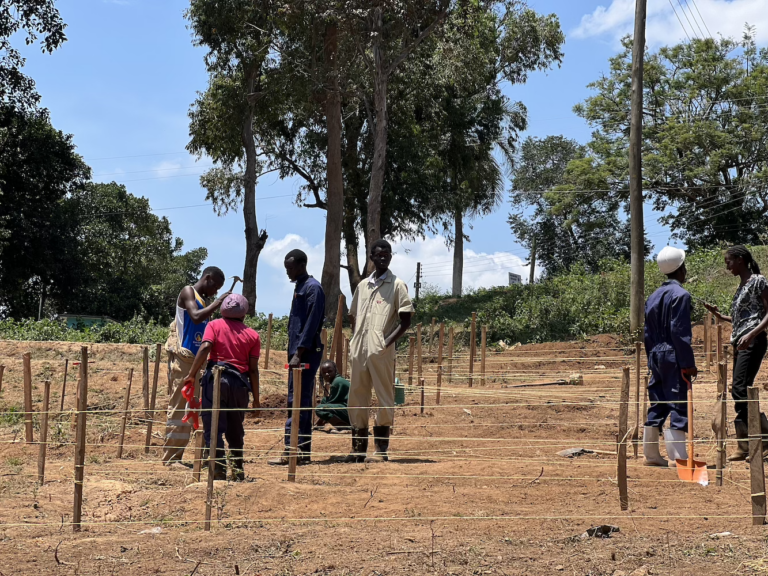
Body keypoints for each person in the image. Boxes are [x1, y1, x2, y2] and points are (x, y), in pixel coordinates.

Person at [346, 239, 413, 463]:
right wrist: (355, 340)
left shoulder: (397, 285)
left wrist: (386, 343)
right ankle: (358, 450)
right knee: (356, 396)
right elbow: (353, 315)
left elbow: (405, 321)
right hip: (359, 350)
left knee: (385, 397)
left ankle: (381, 450)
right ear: (372, 258)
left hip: (381, 351)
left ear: (391, 257)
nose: (383, 257)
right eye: (378, 254)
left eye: (386, 253)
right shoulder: (363, 286)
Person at [182, 293, 260, 481]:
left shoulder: (214, 325)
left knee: (214, 426)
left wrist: (192, 374)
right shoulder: (253, 335)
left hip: (216, 380)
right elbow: (253, 370)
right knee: (235, 428)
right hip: (240, 384)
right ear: (244, 313)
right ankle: (238, 471)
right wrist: (256, 400)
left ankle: (218, 470)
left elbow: (206, 347)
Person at [704, 245, 768, 461]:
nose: (727, 266)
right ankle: (746, 445)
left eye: (728, 261)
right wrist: (720, 316)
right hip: (741, 342)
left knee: (739, 389)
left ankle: (763, 437)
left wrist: (752, 334)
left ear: (740, 260)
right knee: (741, 389)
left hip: (753, 341)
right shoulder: (742, 286)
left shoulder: (758, 281)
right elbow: (743, 319)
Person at [162, 266, 228, 465]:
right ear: (207, 278)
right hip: (183, 360)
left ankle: (179, 456)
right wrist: (218, 303)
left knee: (191, 409)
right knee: (179, 407)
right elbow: (196, 316)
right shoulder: (188, 292)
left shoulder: (204, 301)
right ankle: (171, 458)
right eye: (215, 286)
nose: (215, 291)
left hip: (196, 362)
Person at [269, 249, 325, 466]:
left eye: (290, 268)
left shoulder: (313, 289)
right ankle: (298, 452)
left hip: (305, 354)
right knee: (297, 400)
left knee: (298, 401)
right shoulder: (300, 287)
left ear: (302, 265)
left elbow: (311, 324)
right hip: (297, 353)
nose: (288, 272)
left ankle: (294, 451)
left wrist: (299, 353)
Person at [642, 246, 698, 467]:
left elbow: (647, 333)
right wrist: (688, 364)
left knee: (658, 402)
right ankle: (678, 458)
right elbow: (679, 332)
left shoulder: (653, 296)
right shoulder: (681, 295)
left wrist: (651, 359)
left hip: (655, 354)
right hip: (673, 355)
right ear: (681, 269)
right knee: (678, 403)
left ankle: (651, 456)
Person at [314, 360, 351, 431]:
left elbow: (331, 403)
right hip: (348, 409)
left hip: (349, 411)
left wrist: (321, 419)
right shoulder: (337, 380)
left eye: (329, 371)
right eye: (324, 373)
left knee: (320, 409)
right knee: (325, 400)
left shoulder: (337, 382)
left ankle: (344, 427)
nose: (327, 374)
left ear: (335, 371)